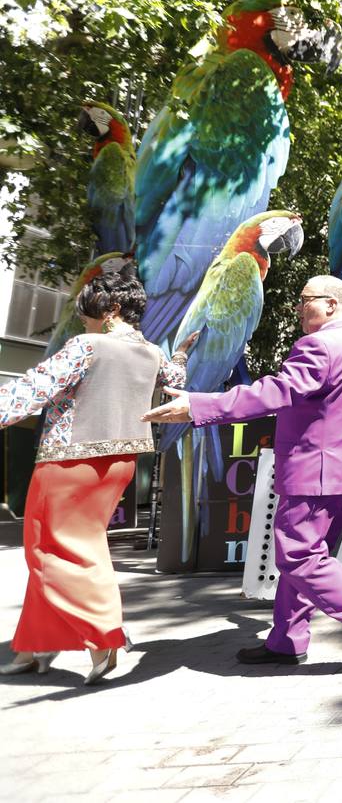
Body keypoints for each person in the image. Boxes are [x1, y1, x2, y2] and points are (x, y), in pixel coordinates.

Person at [143, 276, 342, 679]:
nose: (299, 307)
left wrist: (198, 405)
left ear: (331, 305)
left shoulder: (320, 345)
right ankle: (286, 641)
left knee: (297, 555)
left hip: (314, 470)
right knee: (310, 556)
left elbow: (275, 392)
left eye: (305, 300)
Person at [0, 270, 195, 684]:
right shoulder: (154, 352)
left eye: (89, 309)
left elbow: (35, 388)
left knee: (50, 550)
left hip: (68, 464)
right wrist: (180, 356)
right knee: (76, 546)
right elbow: (175, 383)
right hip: (121, 463)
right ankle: (35, 645)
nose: (83, 318)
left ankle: (104, 633)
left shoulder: (86, 345)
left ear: (111, 309)